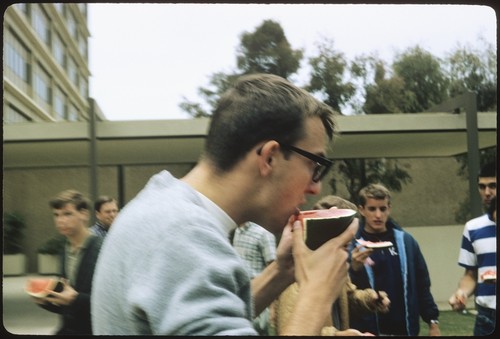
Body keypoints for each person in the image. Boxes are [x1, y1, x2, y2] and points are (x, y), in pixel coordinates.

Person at [91, 73, 359, 335]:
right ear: (270, 158)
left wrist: (281, 272)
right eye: (315, 165)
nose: (316, 187)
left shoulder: (160, 208)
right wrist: (315, 297)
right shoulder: (183, 236)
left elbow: (212, 316)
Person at [272, 195, 390, 336]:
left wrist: (370, 299)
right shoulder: (296, 277)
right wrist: (336, 335)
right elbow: (291, 330)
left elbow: (347, 299)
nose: (350, 240)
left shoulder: (333, 264)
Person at [348, 183, 440, 336]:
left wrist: (432, 321)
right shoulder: (352, 246)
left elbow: (422, 284)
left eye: (383, 209)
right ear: (362, 210)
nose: (378, 215)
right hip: (368, 331)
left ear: (389, 208)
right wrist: (354, 269)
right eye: (372, 209)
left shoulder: (407, 242)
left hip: (405, 329)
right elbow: (346, 293)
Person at [30, 189, 103, 335]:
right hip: (68, 329)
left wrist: (76, 299)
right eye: (56, 215)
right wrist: (47, 302)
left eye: (67, 214)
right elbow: (68, 304)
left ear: (84, 214)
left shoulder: (101, 249)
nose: (60, 220)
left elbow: (110, 301)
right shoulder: (65, 249)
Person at [449, 162, 496, 336]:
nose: (487, 193)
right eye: (482, 187)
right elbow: (470, 275)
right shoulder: (473, 228)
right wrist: (461, 294)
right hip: (486, 318)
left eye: (493, 186)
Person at [231, 221, 277, 335]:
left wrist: (273, 308)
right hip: (239, 295)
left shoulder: (263, 234)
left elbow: (274, 270)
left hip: (260, 295)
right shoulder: (237, 231)